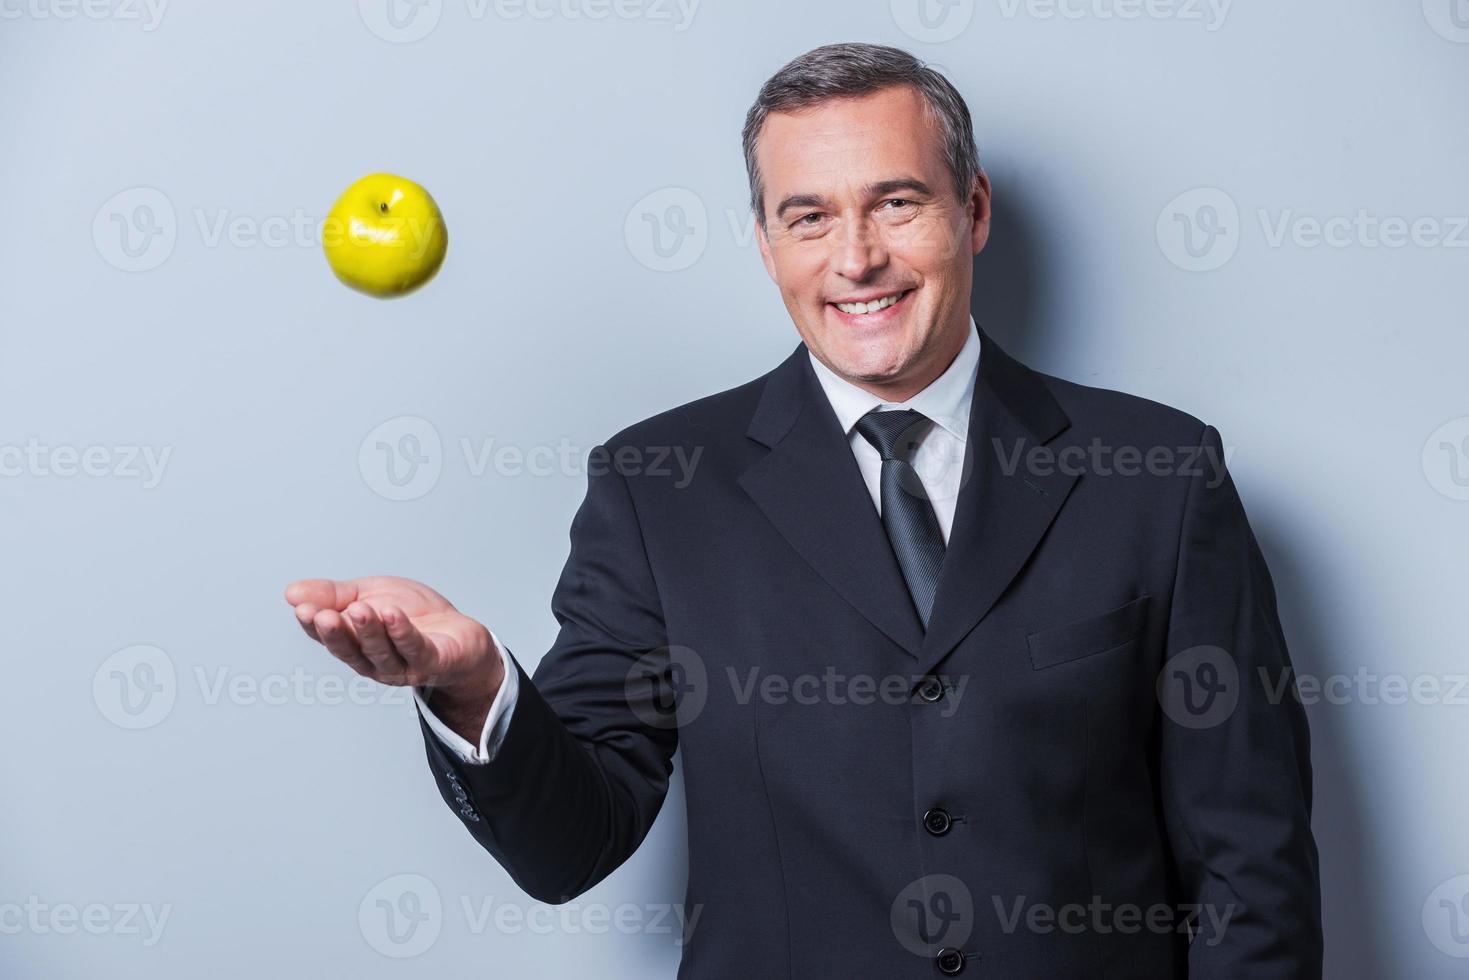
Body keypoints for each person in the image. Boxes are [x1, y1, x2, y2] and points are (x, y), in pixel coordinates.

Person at [285, 42, 1322, 978]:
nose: (854, 256)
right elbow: (570, 845)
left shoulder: (1158, 474)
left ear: (974, 210)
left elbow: (1250, 861)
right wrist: (473, 686)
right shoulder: (657, 485)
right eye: (807, 215)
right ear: (764, 240)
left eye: (896, 202)